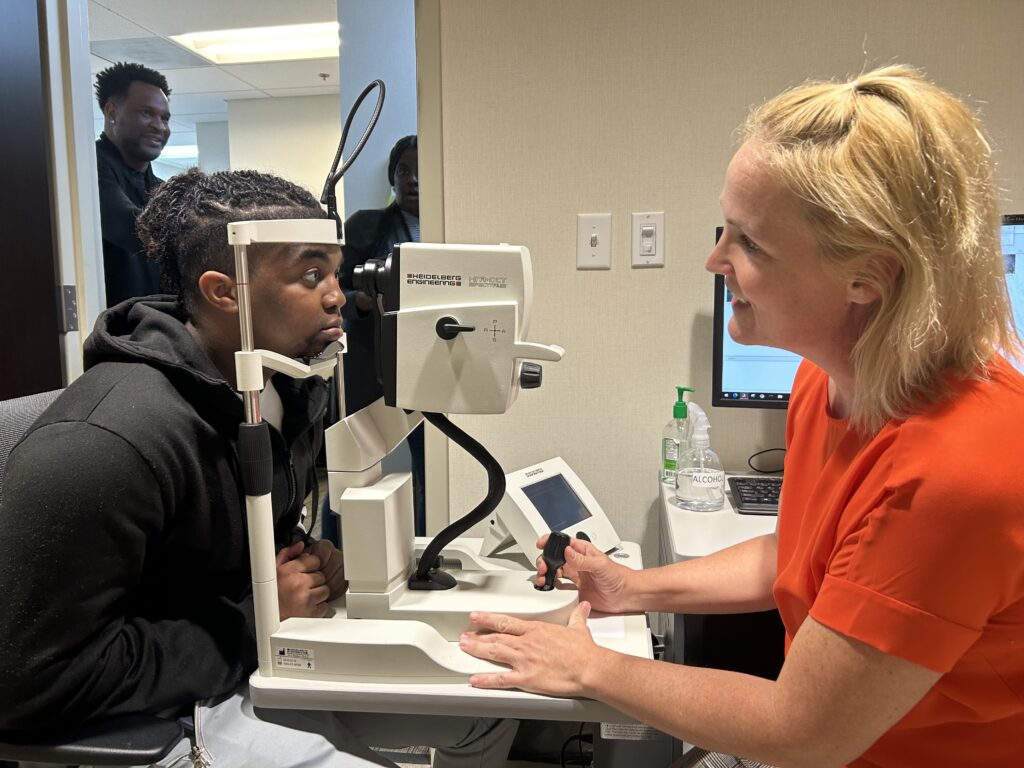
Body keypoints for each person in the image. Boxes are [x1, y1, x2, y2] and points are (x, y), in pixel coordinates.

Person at [459, 65, 1024, 767]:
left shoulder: (959, 472)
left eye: (750, 243)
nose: (714, 259)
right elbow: (800, 553)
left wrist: (589, 667)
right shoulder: (826, 382)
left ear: (869, 277)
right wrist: (632, 589)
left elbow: (802, 732)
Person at [0, 168, 517, 767]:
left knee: (494, 701)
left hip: (251, 652)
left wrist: (305, 561)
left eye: (335, 271)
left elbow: (224, 529)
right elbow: (30, 682)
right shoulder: (103, 442)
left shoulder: (285, 388)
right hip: (162, 707)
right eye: (310, 274)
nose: (336, 295)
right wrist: (256, 620)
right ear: (224, 291)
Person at [337, 134, 426, 534]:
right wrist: (361, 301)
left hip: (428, 369)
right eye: (404, 170)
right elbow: (331, 292)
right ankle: (341, 550)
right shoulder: (364, 226)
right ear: (392, 178)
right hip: (370, 368)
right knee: (355, 469)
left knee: (433, 471)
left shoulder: (452, 226)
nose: (413, 179)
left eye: (421, 171)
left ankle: (427, 546)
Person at [94, 61, 172, 307]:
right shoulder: (86, 169)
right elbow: (132, 228)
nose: (159, 126)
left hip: (156, 322)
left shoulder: (161, 189)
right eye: (146, 113)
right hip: (108, 325)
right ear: (112, 112)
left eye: (165, 118)